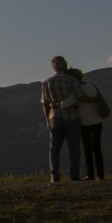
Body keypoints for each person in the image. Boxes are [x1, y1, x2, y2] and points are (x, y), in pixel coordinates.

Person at [40, 55, 85, 183]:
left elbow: (45, 103)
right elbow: (80, 96)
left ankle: (54, 175)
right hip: (72, 116)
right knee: (74, 147)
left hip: (55, 116)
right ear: (65, 65)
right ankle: (75, 175)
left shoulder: (47, 82)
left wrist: (47, 119)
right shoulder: (71, 80)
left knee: (54, 148)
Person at [70, 68, 107, 181]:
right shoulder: (91, 84)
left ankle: (90, 174)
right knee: (97, 147)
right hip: (97, 118)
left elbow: (73, 101)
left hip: (84, 121)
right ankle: (100, 174)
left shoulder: (75, 89)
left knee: (87, 148)